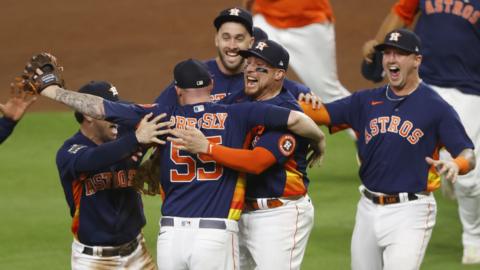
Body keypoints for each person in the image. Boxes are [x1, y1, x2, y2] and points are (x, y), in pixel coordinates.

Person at [23, 56, 324, 269]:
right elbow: (297, 119)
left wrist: (53, 91)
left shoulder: (163, 117)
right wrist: (319, 140)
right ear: (210, 85)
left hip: (171, 239)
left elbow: (99, 107)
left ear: (178, 91)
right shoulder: (239, 114)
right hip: (215, 235)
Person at [300, 29, 476, 270]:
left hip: (411, 212)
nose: (392, 59)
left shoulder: (436, 108)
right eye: (388, 54)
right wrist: (291, 96)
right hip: (367, 209)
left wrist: (458, 164)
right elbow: (322, 114)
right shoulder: (364, 101)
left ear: (417, 60)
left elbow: (468, 153)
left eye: (400, 54)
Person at [169, 39, 318, 270]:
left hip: (278, 215)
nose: (249, 69)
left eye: (260, 67)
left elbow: (257, 162)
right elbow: (201, 120)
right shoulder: (238, 100)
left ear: (279, 75)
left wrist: (208, 148)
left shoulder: (287, 113)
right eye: (248, 63)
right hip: (238, 214)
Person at [361, 1, 480, 264]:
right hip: (424, 84)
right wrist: (378, 51)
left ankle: (472, 237)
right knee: (400, 147)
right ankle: (393, 233)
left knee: (468, 176)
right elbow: (399, 15)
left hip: (470, 90)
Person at [56, 81, 165, 270]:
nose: (116, 117)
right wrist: (136, 140)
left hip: (137, 252)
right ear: (88, 115)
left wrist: (156, 157)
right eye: (108, 112)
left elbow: (165, 122)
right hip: (94, 261)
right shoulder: (70, 152)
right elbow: (94, 159)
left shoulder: (126, 137)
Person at [155, 7, 311, 105]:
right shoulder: (195, 74)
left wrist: (308, 96)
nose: (232, 46)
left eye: (239, 38)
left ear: (251, 43)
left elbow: (296, 91)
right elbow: (154, 114)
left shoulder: (261, 77)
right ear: (217, 39)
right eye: (226, 37)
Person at [244, 0, 350, 103]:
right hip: (265, 16)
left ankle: (362, 114)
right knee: (252, 78)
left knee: (327, 94)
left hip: (308, 20)